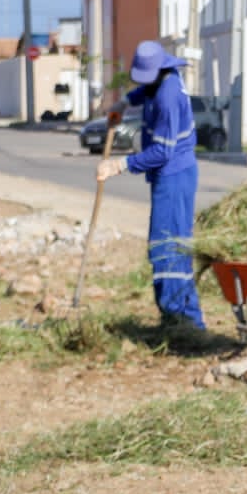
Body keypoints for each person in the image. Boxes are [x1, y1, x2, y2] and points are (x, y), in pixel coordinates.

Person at [95, 40, 206, 330]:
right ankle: (179, 317)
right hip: (170, 176)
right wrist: (125, 102)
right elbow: (146, 90)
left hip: (175, 177)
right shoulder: (163, 80)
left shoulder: (168, 97)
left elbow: (162, 152)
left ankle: (182, 320)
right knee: (168, 244)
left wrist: (119, 165)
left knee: (167, 247)